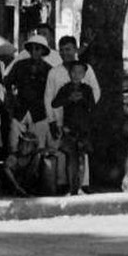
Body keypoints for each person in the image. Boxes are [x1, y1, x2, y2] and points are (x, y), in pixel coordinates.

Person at [51, 60, 96, 195]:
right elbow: (55, 103)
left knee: (82, 158)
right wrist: (69, 98)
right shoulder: (65, 89)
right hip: (69, 128)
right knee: (71, 159)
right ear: (69, 74)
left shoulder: (87, 89)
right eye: (74, 72)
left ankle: (81, 186)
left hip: (83, 128)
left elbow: (92, 107)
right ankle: (72, 188)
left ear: (83, 75)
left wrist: (82, 99)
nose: (76, 75)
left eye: (80, 72)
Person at [4, 35, 54, 151]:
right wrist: (11, 97)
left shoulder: (49, 70)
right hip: (20, 108)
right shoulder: (19, 65)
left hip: (39, 111)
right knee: (14, 144)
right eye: (32, 48)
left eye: (37, 49)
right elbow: (7, 82)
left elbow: (52, 92)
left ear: (43, 51)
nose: (34, 51)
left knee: (38, 146)